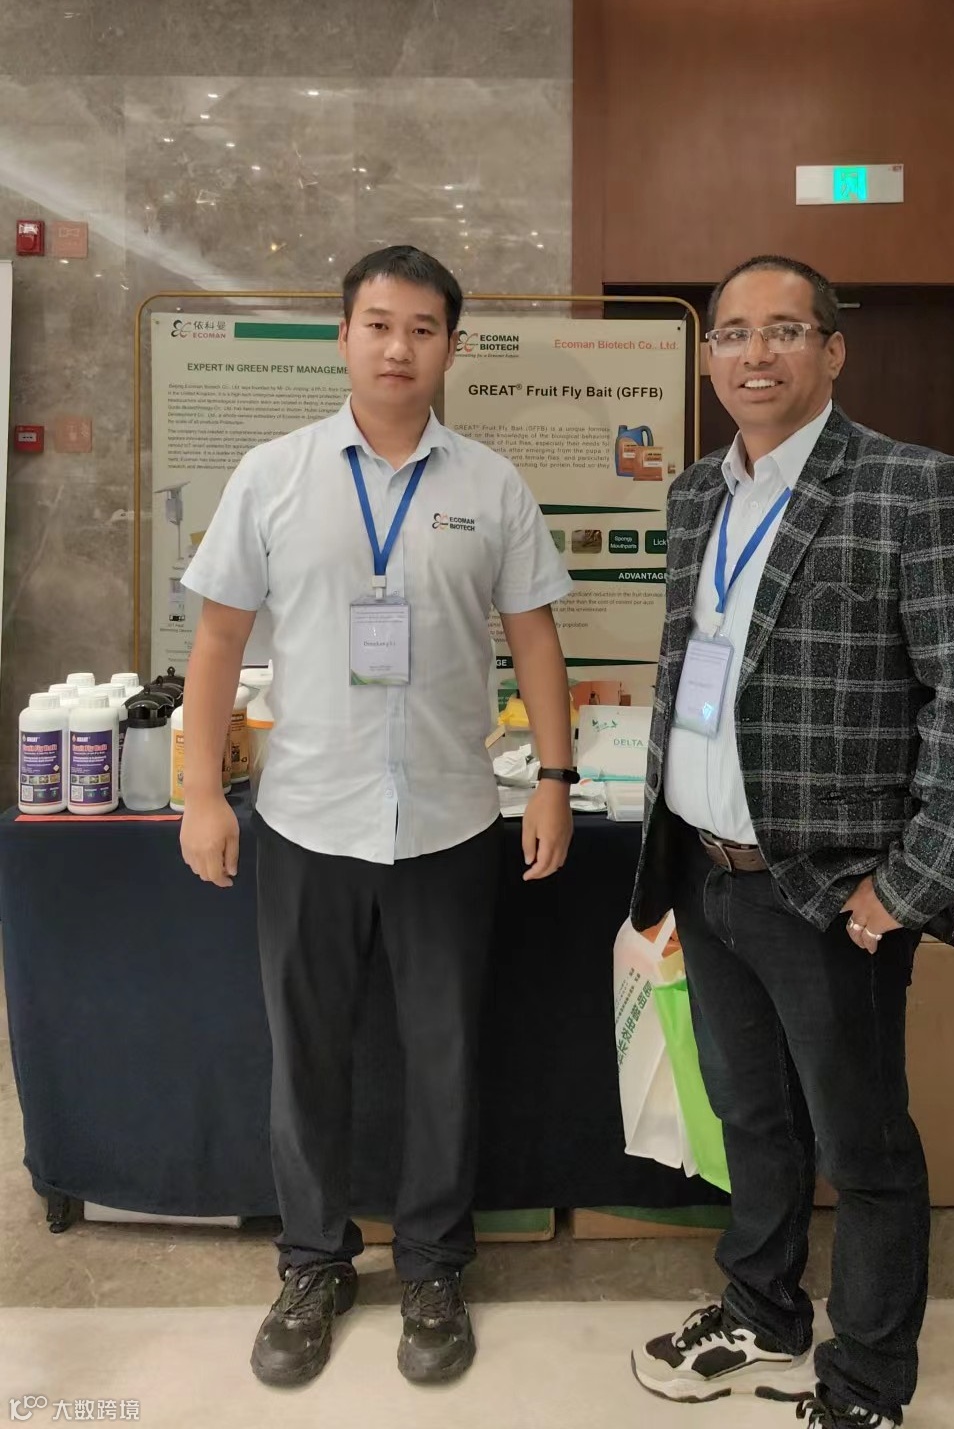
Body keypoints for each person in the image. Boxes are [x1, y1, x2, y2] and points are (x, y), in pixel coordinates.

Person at [629, 255, 954, 1427]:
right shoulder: (695, 494)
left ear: (834, 349)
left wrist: (911, 883)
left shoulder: (915, 487)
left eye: (785, 330)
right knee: (750, 1116)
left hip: (832, 889)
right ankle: (762, 1309)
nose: (755, 354)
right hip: (708, 870)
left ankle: (868, 1378)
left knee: (865, 1146)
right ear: (708, 356)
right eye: (733, 333)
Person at [178, 246, 576, 1389]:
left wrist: (553, 777)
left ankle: (435, 1266)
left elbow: (535, 637)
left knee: (444, 1056)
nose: (399, 348)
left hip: (449, 823)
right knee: (307, 1054)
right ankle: (313, 1263)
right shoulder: (275, 475)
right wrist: (201, 792)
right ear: (343, 336)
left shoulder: (489, 485)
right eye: (378, 324)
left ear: (451, 345)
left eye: (422, 329)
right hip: (308, 818)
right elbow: (218, 641)